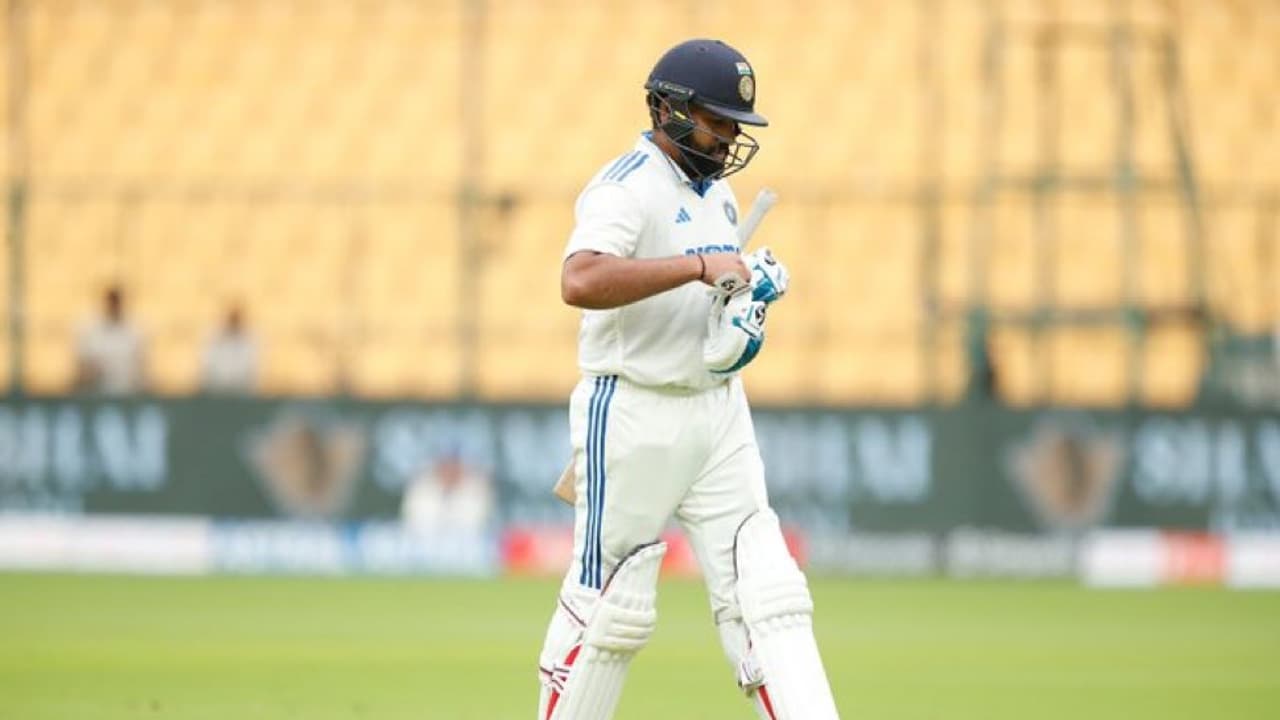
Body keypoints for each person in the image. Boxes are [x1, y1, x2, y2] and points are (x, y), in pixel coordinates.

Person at [536, 39, 840, 719]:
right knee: (608, 609)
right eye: (717, 121)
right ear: (665, 110)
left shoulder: (720, 195)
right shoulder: (625, 186)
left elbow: (707, 307)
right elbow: (579, 280)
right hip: (633, 407)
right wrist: (700, 267)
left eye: (736, 124)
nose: (729, 137)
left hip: (718, 412)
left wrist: (745, 300)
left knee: (768, 593)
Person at [74, 284, 146, 395]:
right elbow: (83, 367)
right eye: (111, 302)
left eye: (116, 302)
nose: (114, 306)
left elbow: (141, 368)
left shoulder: (136, 330)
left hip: (128, 391)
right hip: (97, 392)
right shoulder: (90, 330)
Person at [400, 451, 494, 535]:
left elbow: (475, 524)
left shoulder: (475, 491)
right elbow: (416, 523)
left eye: (454, 466)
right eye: (445, 466)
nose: (449, 471)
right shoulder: (422, 491)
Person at [199, 304, 259, 394]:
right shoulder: (214, 337)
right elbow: (207, 362)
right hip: (216, 388)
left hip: (241, 389)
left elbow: (252, 366)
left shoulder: (251, 339)